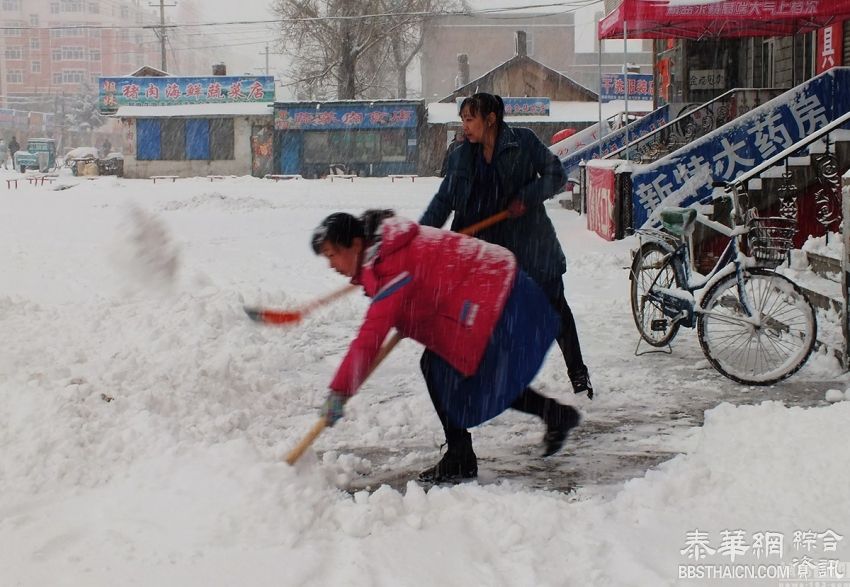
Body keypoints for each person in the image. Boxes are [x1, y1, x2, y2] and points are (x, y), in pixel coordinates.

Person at [313, 210, 581, 483]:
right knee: (469, 373)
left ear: (356, 244)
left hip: (496, 296)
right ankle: (552, 416)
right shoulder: (385, 252)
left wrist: (340, 391)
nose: (331, 265)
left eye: (332, 254)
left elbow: (369, 337)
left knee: (455, 370)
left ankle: (462, 454)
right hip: (488, 290)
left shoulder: (391, 265)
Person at [420, 92, 593, 400]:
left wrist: (526, 198)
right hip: (486, 252)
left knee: (555, 311)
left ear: (491, 119)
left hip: (532, 245)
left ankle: (578, 373)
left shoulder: (523, 142)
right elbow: (445, 199)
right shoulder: (461, 154)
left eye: (470, 119)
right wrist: (421, 237)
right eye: (462, 120)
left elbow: (556, 174)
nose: (465, 126)